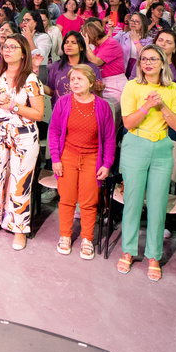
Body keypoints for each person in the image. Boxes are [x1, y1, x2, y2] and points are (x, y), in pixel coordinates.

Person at [0, 33, 45, 250]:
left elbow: (38, 114)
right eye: (5, 47)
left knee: (20, 181)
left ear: (23, 53)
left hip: (23, 134)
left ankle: (19, 228)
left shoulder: (30, 79)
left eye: (13, 47)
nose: (7, 50)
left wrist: (13, 105)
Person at [116, 45, 176, 281]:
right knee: (133, 201)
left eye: (153, 59)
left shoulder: (173, 89)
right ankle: (128, 251)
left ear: (163, 63)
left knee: (157, 203)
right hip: (136, 145)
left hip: (162, 148)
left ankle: (154, 255)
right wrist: (146, 106)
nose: (148, 63)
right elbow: (127, 123)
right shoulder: (132, 86)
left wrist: (162, 105)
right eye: (144, 59)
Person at [48, 64, 116, 260]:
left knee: (88, 201)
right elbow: (54, 132)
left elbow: (109, 139)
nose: (75, 83)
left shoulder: (102, 106)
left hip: (92, 158)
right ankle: (65, 236)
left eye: (80, 79)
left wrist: (106, 164)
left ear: (91, 83)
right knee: (66, 199)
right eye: (72, 79)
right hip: (67, 155)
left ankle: (87, 238)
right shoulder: (63, 102)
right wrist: (55, 158)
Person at [82, 18, 126, 105]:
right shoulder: (99, 46)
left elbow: (96, 61)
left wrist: (87, 45)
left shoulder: (111, 43)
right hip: (103, 83)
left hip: (115, 85)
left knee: (112, 115)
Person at [46, 31, 87, 99]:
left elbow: (95, 94)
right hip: (60, 108)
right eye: (66, 42)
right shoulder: (55, 66)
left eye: (73, 43)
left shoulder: (91, 67)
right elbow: (51, 91)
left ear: (82, 47)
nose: (69, 45)